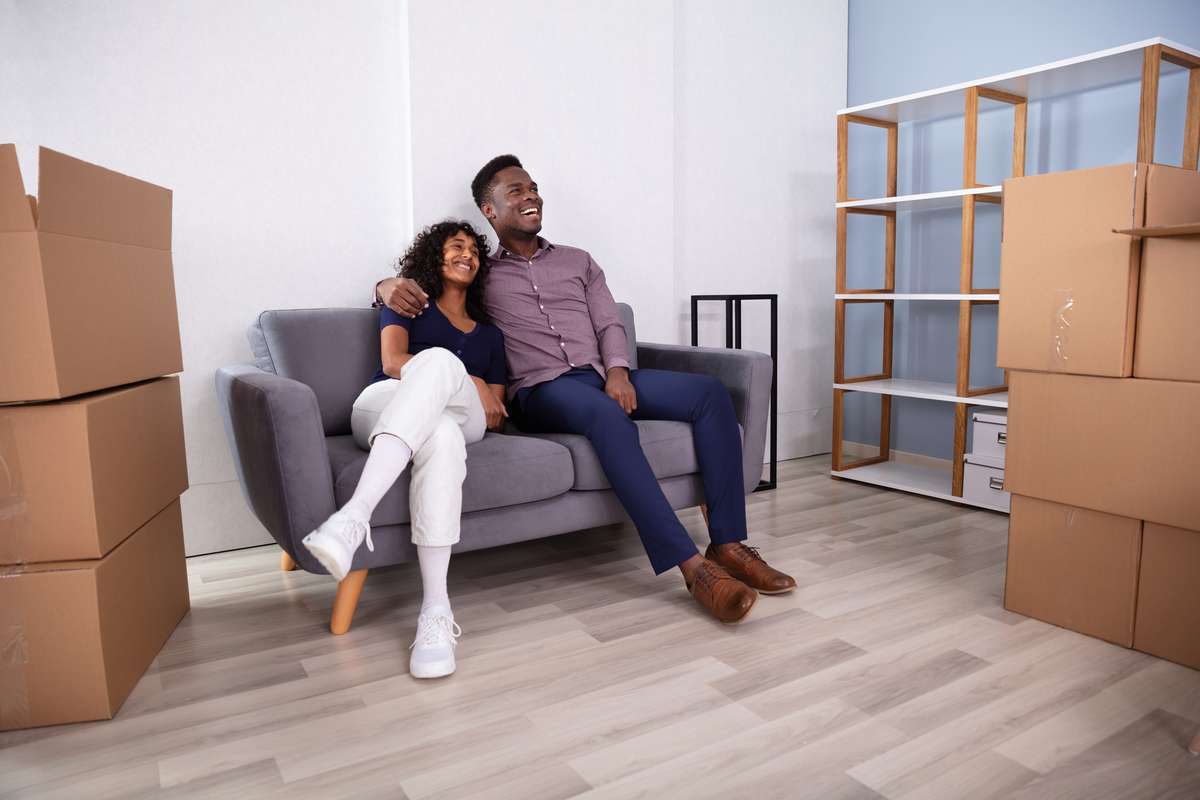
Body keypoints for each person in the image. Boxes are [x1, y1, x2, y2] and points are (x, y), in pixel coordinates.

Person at [375, 156, 795, 624]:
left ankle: (728, 543)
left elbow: (609, 321)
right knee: (605, 416)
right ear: (489, 210)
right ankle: (693, 568)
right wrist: (385, 285)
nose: (530, 195)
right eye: (515, 191)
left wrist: (618, 371)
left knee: (710, 394)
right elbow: (429, 291)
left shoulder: (580, 261)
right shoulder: (483, 274)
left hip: (600, 375)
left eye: (532, 187)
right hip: (541, 390)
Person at [305, 220, 508, 678]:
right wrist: (458, 372)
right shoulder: (407, 305)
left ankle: (354, 519)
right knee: (440, 429)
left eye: (475, 250)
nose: (468, 255)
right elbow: (393, 364)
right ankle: (435, 610)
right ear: (435, 255)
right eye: (457, 246)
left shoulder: (491, 336)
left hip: (464, 415)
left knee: (446, 393)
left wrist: (469, 379)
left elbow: (494, 408)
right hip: (384, 405)